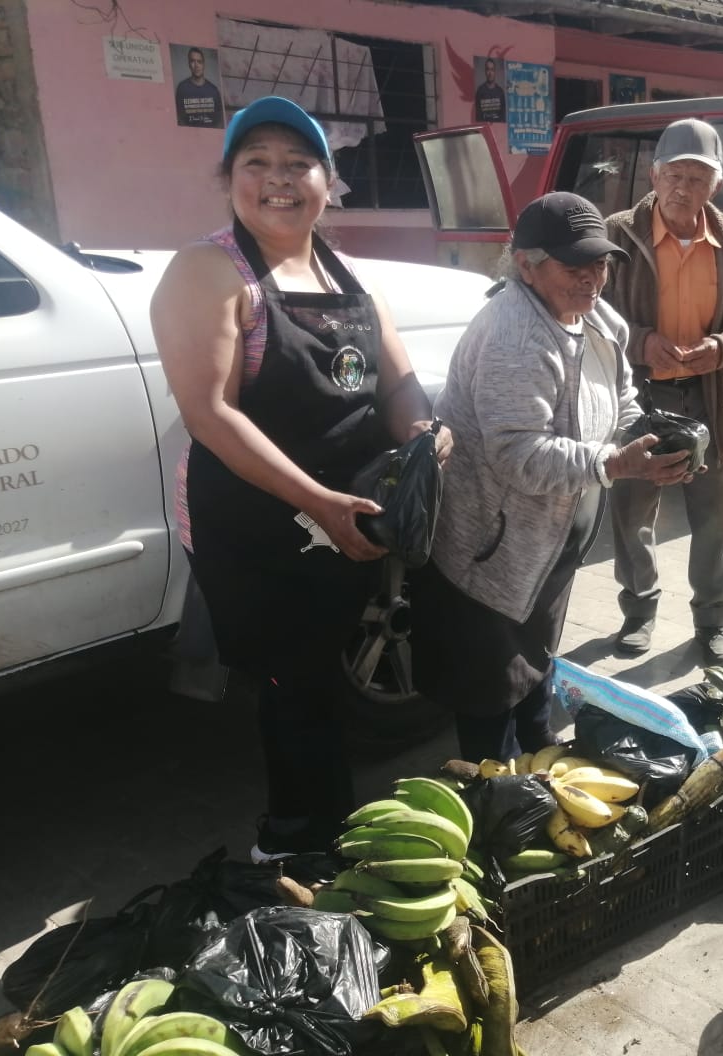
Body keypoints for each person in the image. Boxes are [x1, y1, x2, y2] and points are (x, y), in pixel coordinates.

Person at [150, 96, 451, 861]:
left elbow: (397, 383)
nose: (278, 179)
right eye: (257, 163)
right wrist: (318, 502)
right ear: (230, 181)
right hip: (253, 521)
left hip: (345, 514)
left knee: (321, 668)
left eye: (298, 163)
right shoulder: (208, 272)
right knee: (290, 680)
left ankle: (328, 823)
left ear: (328, 181)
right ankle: (290, 840)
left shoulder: (348, 276)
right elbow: (210, 412)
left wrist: (422, 433)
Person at [410, 193, 692, 761]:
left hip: (546, 544)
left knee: (536, 663)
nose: (591, 278)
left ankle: (540, 756)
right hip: (491, 554)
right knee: (492, 695)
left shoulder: (598, 319)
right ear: (526, 266)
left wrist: (653, 439)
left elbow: (622, 399)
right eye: (573, 265)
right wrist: (614, 463)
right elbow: (519, 454)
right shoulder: (516, 335)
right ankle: (497, 789)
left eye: (600, 263)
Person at [602, 118, 723, 668]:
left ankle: (712, 621)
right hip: (638, 397)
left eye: (697, 179)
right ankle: (638, 612)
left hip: (709, 398)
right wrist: (641, 343)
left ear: (714, 186)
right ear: (654, 177)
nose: (683, 188)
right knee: (632, 511)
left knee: (717, 518)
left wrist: (721, 348)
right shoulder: (618, 234)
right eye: (674, 175)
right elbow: (595, 314)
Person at [175, 46, 223, 129]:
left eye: (199, 62)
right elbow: (179, 118)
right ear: (189, 64)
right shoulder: (182, 88)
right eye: (193, 61)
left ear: (204, 65)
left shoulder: (214, 91)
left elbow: (220, 121)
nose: (196, 65)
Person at [474, 57, 505, 123]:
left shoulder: (500, 92)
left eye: (492, 70)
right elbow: (477, 116)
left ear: (495, 72)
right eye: (488, 69)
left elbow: (503, 117)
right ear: (485, 71)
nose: (490, 73)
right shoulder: (480, 91)